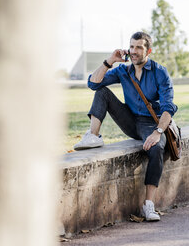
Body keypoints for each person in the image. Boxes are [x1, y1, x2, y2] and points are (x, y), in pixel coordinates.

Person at [74, 31, 177, 221]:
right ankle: (93, 136)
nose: (134, 51)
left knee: (157, 148)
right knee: (102, 92)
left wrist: (157, 132)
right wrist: (109, 61)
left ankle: (148, 205)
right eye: (131, 47)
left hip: (151, 123)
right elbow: (93, 84)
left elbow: (168, 108)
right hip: (130, 120)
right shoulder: (123, 70)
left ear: (149, 51)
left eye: (139, 47)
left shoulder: (159, 72)